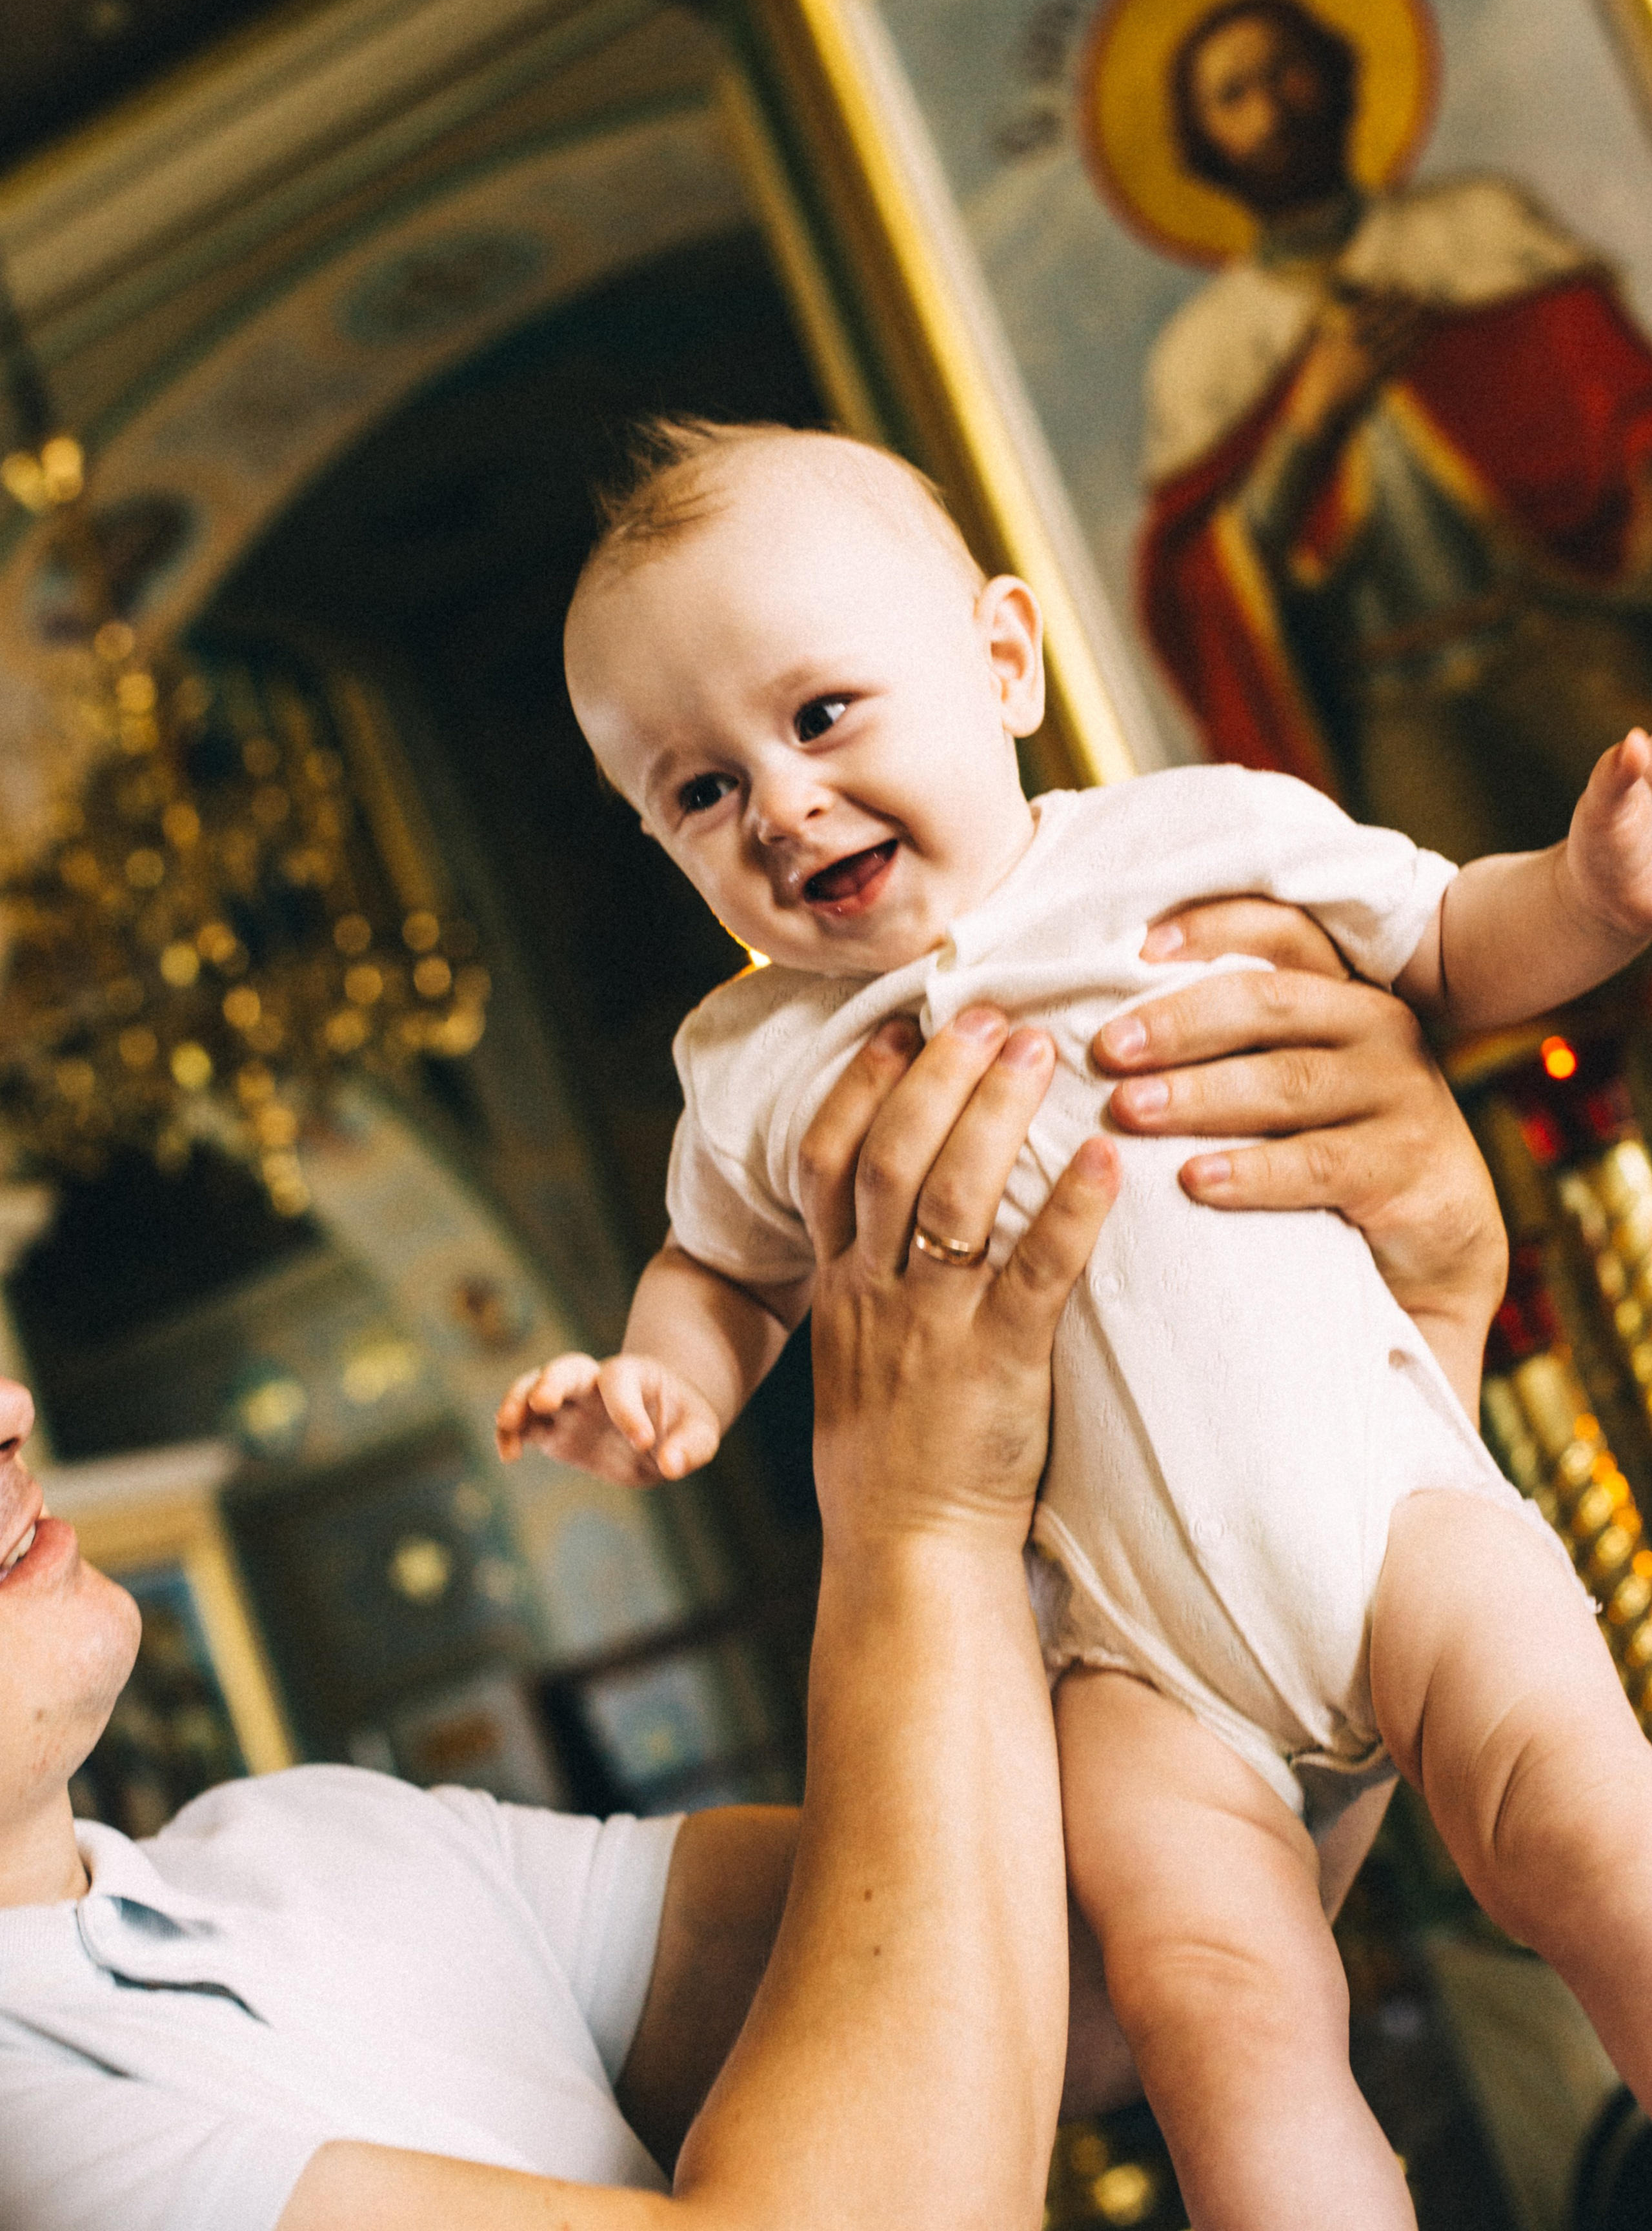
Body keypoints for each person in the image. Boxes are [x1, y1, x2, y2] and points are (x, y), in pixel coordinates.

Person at [499, 419, 1652, 2231]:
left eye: (819, 720)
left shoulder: (1196, 840)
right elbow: (721, 1277)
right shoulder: (746, 1063)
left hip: (1387, 1510)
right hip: (1125, 1667)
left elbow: (1444, 944)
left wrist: (1588, 894)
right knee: (1224, 2017)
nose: (781, 806)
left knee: (1594, 1843)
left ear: (1007, 662)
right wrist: (659, 1385)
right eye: (697, 793)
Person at [0, 897, 1504, 2231]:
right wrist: (917, 1533)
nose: (8, 1415)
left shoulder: (312, 1855)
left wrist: (1380, 1361)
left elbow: (1097, 1961)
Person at [1135, 0, 1652, 860]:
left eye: (1286, 69)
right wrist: (1308, 426)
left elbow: (1624, 416)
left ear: (1335, 76)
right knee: (1482, 973)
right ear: (1203, 144)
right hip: (1400, 724)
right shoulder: (1202, 356)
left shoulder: (1479, 227)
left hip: (1567, 641)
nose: (1272, 108)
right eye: (1233, 94)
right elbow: (1206, 590)